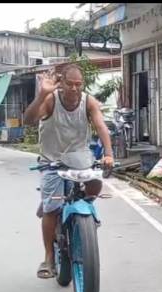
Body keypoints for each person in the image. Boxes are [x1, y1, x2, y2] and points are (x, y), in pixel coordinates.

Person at [24, 63, 114, 279]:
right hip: (52, 160)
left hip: (80, 158)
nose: (74, 88)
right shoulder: (50, 100)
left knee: (95, 183)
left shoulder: (89, 102)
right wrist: (41, 95)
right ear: (61, 83)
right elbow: (28, 120)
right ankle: (48, 257)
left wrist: (109, 154)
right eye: (70, 84)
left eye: (78, 84)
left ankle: (85, 223)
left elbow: (101, 126)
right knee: (51, 209)